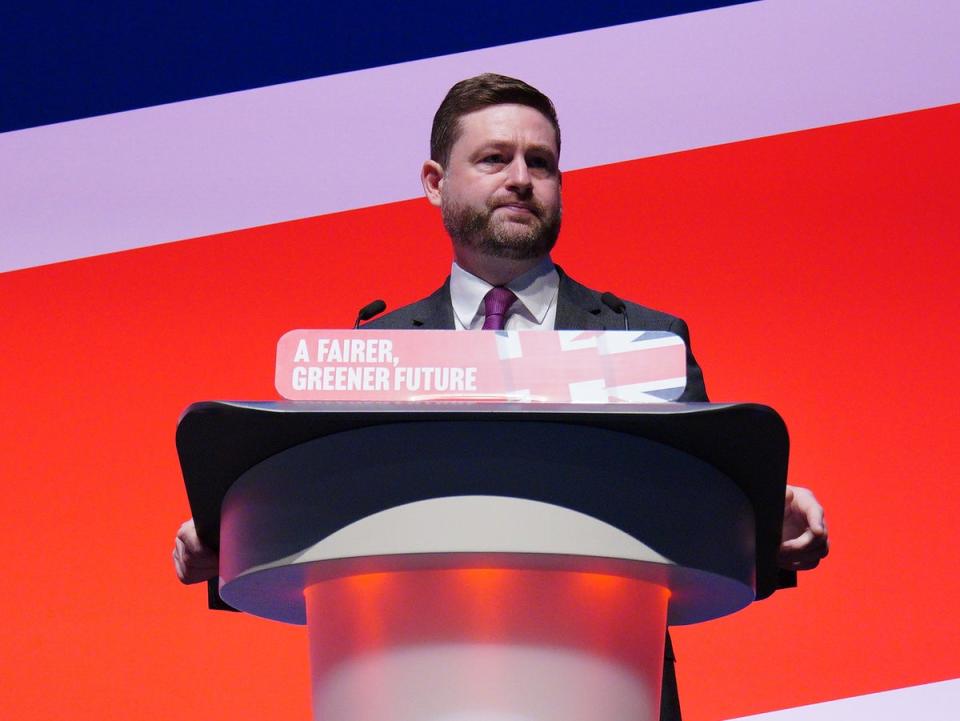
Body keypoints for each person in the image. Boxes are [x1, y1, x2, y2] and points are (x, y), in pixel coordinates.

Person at [174, 73, 829, 720]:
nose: (521, 178)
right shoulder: (375, 349)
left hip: (606, 685)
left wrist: (765, 524)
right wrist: (231, 531)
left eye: (540, 162)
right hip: (412, 684)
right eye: (494, 158)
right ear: (434, 182)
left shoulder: (645, 341)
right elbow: (313, 515)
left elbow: (703, 516)